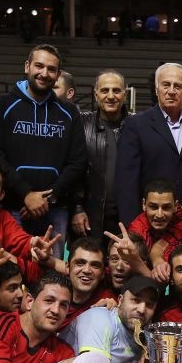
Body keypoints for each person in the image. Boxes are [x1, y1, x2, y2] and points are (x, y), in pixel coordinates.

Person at [0, 44, 87, 256]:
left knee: (52, 271)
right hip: (12, 208)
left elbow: (78, 162)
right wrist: (26, 194)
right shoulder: (2, 105)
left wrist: (48, 198)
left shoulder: (69, 112)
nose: (44, 73)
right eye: (39, 66)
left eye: (51, 69)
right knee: (12, 270)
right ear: (27, 66)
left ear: (58, 75)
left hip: (55, 209)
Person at [116, 62, 182, 223]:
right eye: (166, 85)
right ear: (156, 89)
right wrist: (131, 225)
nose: (171, 91)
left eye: (178, 86)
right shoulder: (136, 125)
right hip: (150, 220)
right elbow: (127, 181)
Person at [71, 70, 130, 239]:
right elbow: (72, 170)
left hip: (127, 217)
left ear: (125, 95)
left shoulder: (137, 126)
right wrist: (76, 208)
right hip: (88, 216)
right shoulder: (80, 124)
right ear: (96, 94)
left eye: (116, 90)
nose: (110, 96)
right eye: (105, 90)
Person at [126, 177, 182, 268]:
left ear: (175, 206)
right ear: (144, 205)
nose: (159, 215)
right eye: (153, 207)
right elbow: (137, 268)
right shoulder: (137, 231)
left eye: (166, 207)